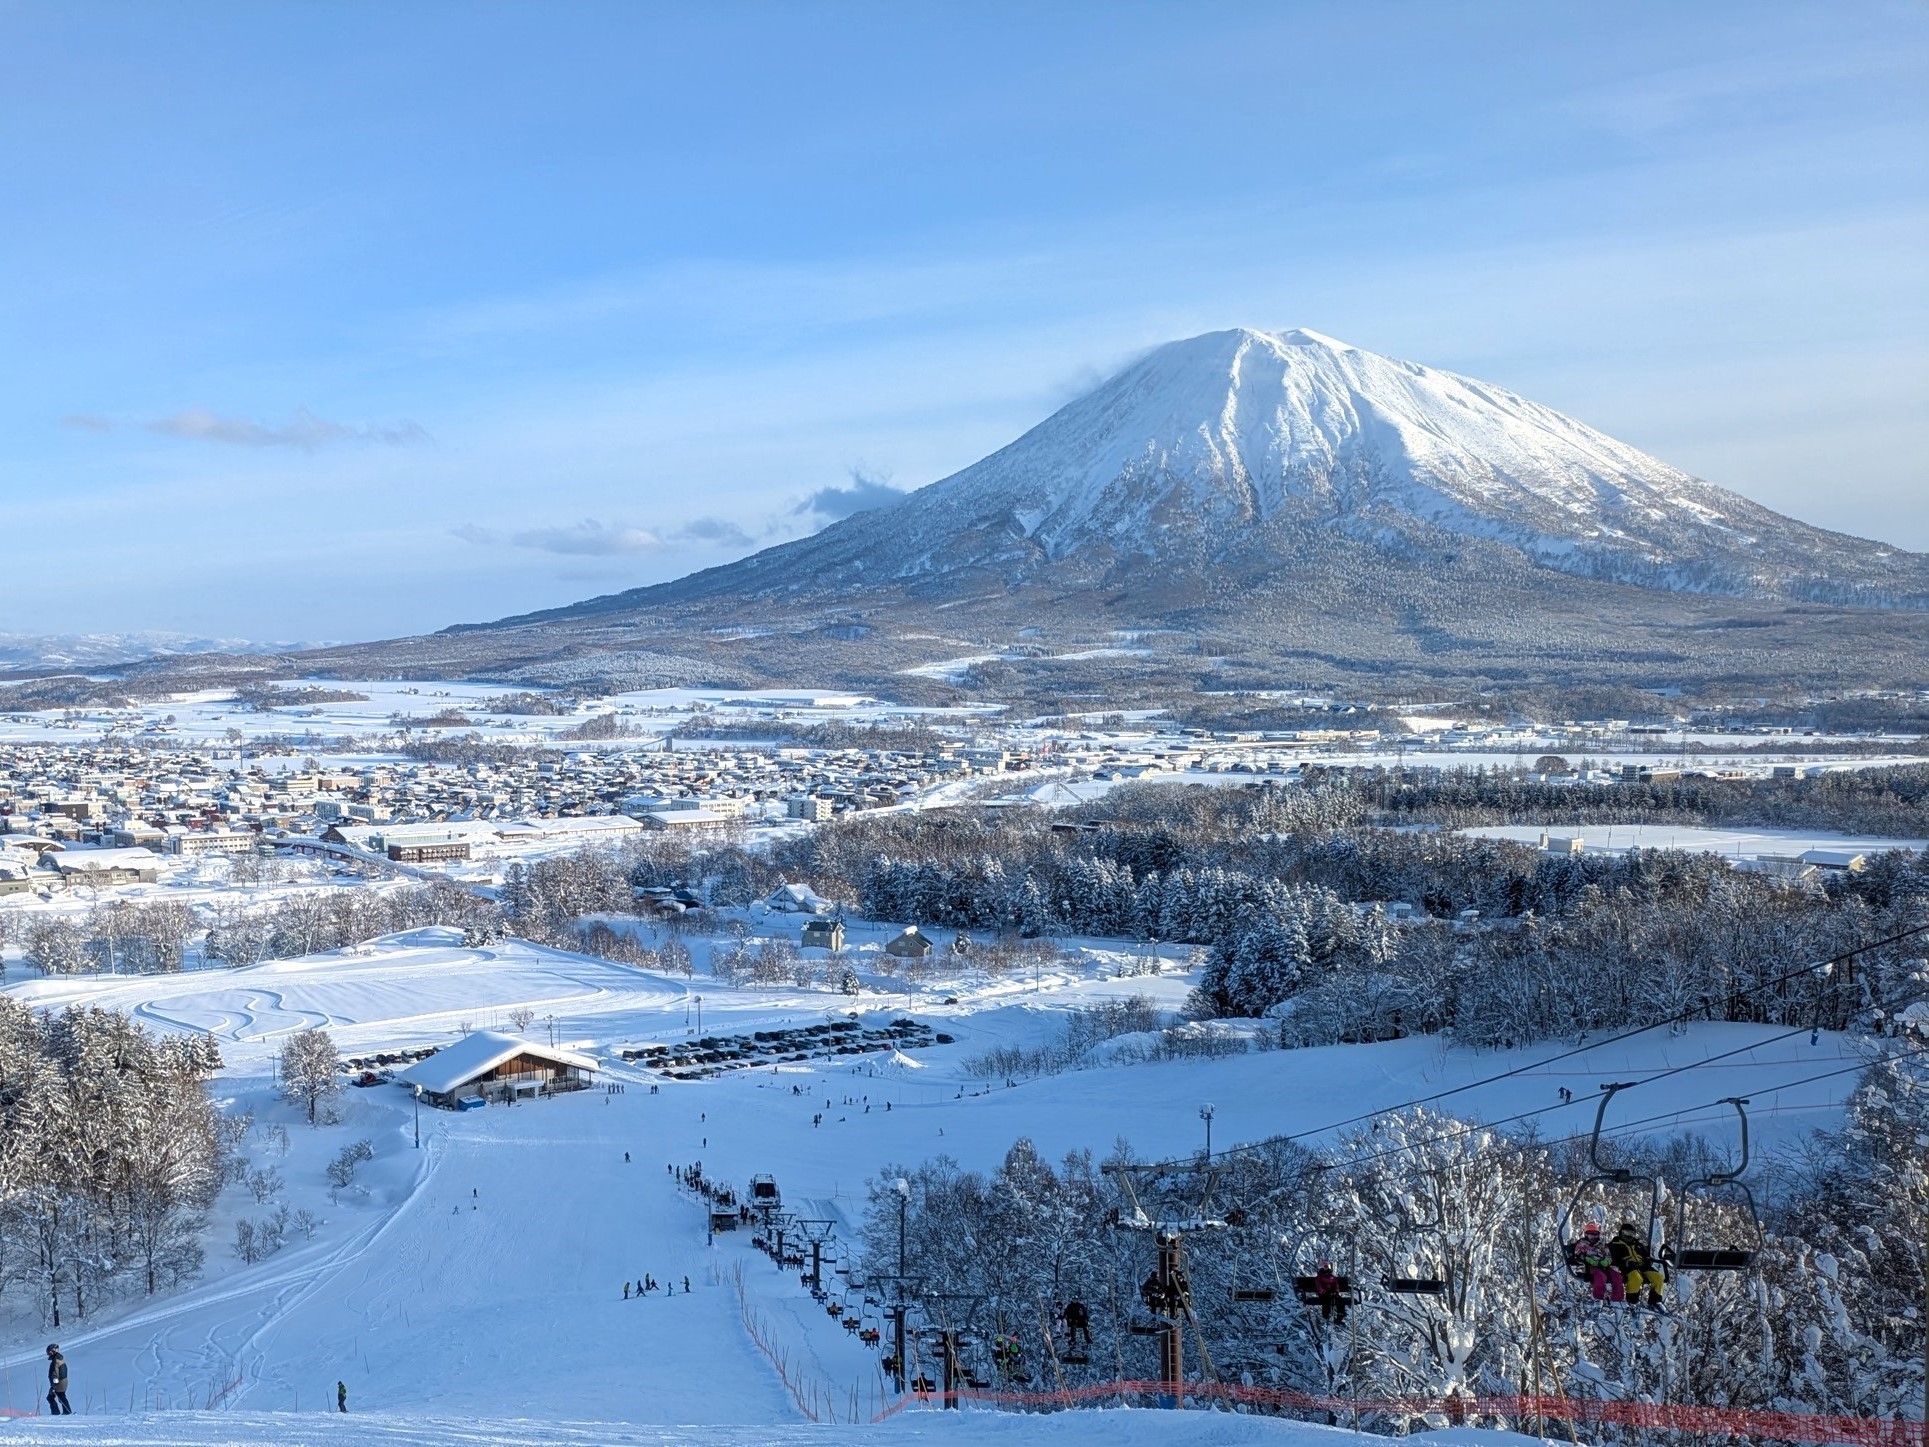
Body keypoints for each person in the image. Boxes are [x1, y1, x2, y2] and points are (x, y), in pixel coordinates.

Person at [1612, 1221, 1666, 1309]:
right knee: (1636, 1278)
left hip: (1642, 1267)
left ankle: (1655, 1301)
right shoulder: (1615, 1244)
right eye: (1626, 1233)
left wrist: (1647, 1260)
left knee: (1658, 1277)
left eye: (1632, 1234)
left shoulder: (1638, 1244)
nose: (1629, 1236)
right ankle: (1632, 1301)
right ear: (1621, 1232)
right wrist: (1624, 1263)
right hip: (1627, 1268)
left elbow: (1646, 1255)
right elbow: (1613, 1258)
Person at [1571, 1223, 1625, 1303]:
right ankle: (1598, 1297)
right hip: (1591, 1267)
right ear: (1586, 1234)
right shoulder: (1582, 1244)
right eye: (1591, 1234)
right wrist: (1588, 1260)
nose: (1594, 1237)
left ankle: (1617, 1299)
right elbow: (1578, 1255)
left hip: (1604, 1265)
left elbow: (1608, 1255)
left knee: (1617, 1276)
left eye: (1596, 1234)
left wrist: (1607, 1261)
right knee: (1600, 1276)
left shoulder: (1601, 1244)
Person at [45, 1344, 71, 1415]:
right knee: (61, 1397)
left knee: (50, 1397)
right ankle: (66, 1411)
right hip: (63, 1382)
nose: (48, 1354)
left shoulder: (55, 1361)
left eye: (49, 1352)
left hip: (59, 1383)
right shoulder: (59, 1358)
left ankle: (57, 1413)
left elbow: (55, 1375)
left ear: (54, 1351)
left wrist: (53, 1386)